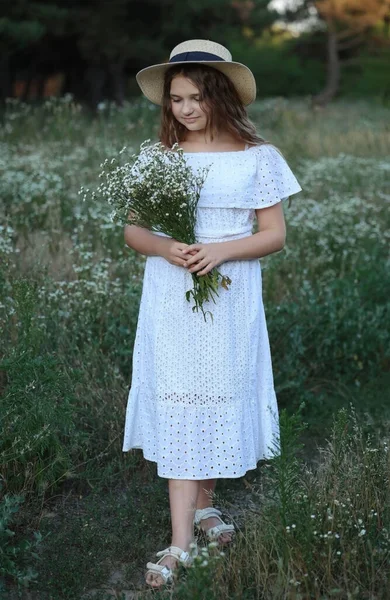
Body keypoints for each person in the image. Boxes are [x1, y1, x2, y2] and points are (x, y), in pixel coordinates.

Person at [122, 39, 302, 588]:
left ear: (220, 95)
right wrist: (165, 248)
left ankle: (205, 508)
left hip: (231, 293)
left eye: (196, 96)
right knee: (181, 395)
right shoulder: (160, 159)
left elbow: (274, 235)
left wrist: (221, 250)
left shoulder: (258, 157)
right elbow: (134, 231)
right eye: (176, 99)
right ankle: (180, 544)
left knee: (217, 391)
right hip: (171, 296)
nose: (186, 109)